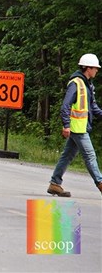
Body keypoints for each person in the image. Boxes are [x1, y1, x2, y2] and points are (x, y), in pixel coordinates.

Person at [48, 53, 102, 197]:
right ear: (87, 68)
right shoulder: (76, 83)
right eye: (95, 68)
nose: (97, 70)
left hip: (80, 127)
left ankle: (55, 183)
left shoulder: (88, 85)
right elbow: (65, 106)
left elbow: (93, 107)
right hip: (77, 128)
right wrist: (66, 125)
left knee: (67, 156)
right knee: (90, 156)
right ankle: (100, 182)